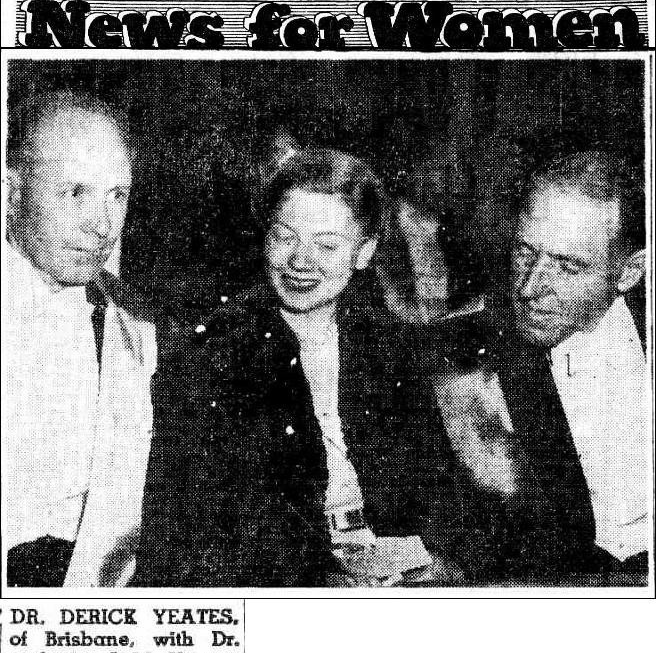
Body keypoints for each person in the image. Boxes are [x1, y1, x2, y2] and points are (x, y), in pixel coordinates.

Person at [136, 147, 474, 587]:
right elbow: (205, 530)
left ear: (364, 252)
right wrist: (321, 577)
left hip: (397, 569)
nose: (300, 261)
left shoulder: (388, 346)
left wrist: (438, 557)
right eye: (285, 237)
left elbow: (439, 486)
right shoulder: (214, 354)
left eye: (326, 245)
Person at [3, 90, 157, 587]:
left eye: (117, 196)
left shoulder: (133, 323)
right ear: (13, 194)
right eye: (76, 193)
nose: (103, 225)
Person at [496, 150, 649, 579]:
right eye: (525, 252)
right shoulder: (461, 363)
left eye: (567, 267)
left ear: (629, 272)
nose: (530, 287)